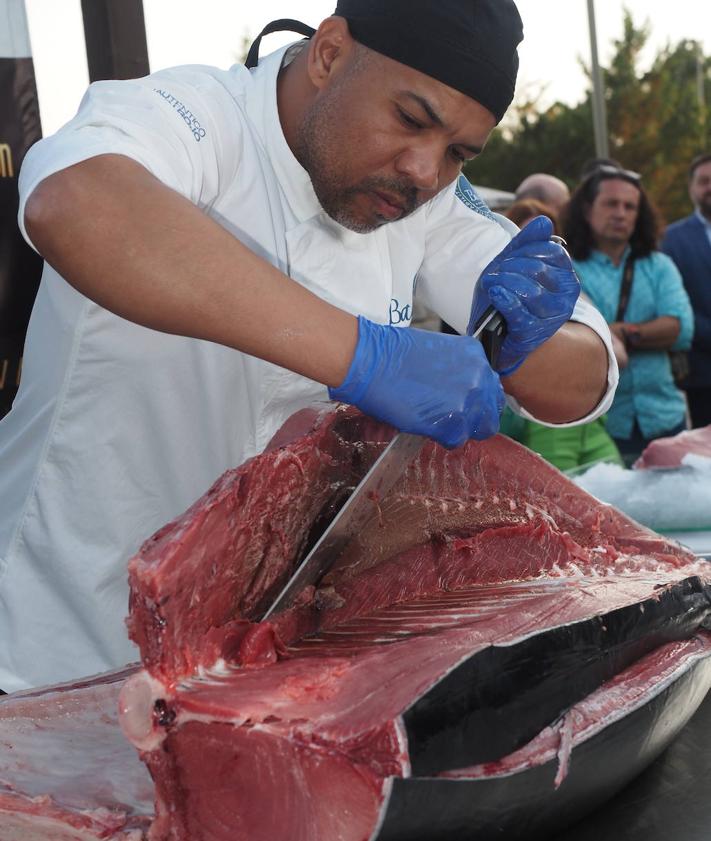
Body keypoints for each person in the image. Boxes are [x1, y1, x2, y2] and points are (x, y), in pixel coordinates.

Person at [0, 0, 616, 692]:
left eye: (458, 153)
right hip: (60, 651)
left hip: (251, 671)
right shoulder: (193, 114)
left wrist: (526, 337)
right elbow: (76, 201)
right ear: (328, 53)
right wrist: (365, 355)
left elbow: (584, 375)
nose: (422, 170)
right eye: (410, 119)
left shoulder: (427, 199)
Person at [562, 162, 692, 466]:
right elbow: (569, 338)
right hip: (602, 424)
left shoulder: (659, 265)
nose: (621, 213)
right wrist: (647, 333)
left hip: (665, 419)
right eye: (611, 203)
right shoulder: (566, 267)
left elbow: (680, 329)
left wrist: (614, 332)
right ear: (586, 209)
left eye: (630, 206)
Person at [501, 199, 624, 471]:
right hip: (542, 423)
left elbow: (619, 354)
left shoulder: (572, 289)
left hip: (593, 424)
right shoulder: (487, 293)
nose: (539, 250)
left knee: (617, 504)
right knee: (560, 503)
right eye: (525, 238)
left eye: (550, 241)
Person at [661, 153, 711, 428]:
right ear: (692, 188)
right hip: (704, 375)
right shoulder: (671, 240)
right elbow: (677, 304)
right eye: (704, 181)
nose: (710, 187)